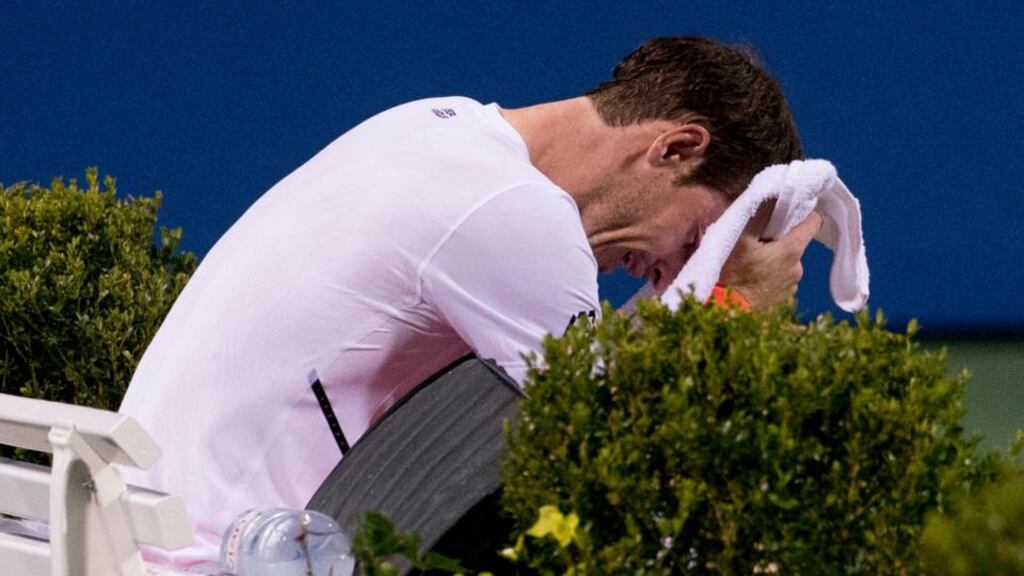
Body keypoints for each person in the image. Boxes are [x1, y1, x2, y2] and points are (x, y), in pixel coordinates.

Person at [119, 36, 820, 564]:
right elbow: (627, 465)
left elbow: (605, 370)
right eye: (699, 238)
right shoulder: (517, 216)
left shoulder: (433, 126)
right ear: (676, 148)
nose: (669, 277)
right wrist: (743, 306)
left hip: (144, 543)